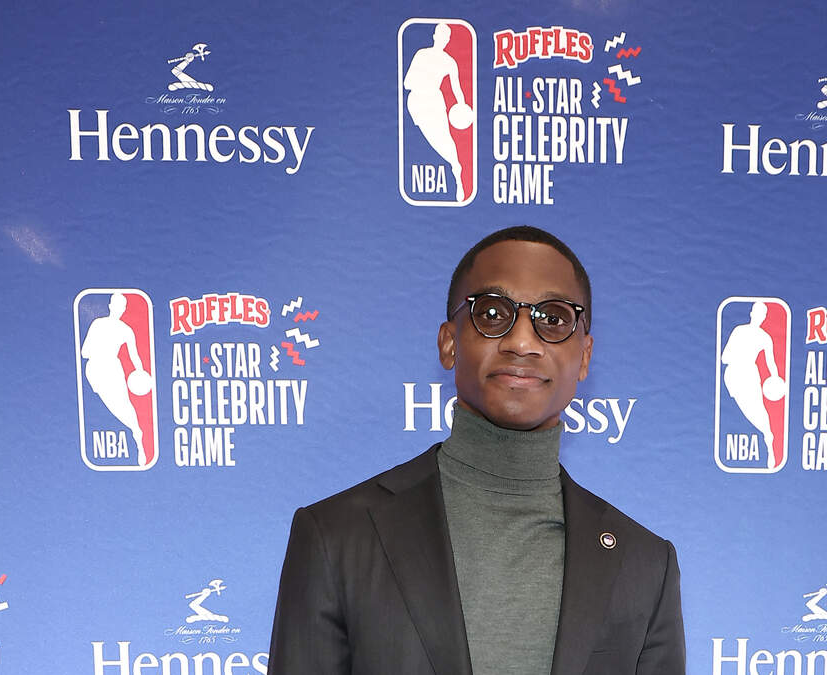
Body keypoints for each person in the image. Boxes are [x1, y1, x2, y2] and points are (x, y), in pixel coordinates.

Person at [267, 226, 685, 674]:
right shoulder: (335, 537)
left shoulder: (646, 565)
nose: (522, 342)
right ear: (449, 343)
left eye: (553, 319)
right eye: (492, 313)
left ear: (583, 357)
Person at [81, 292, 149, 466]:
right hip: (96, 370)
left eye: (121, 306)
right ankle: (136, 432)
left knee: (123, 404)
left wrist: (140, 372)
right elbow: (84, 352)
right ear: (111, 306)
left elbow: (135, 356)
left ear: (123, 309)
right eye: (117, 305)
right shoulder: (98, 324)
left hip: (112, 369)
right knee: (113, 405)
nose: (119, 309)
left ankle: (138, 438)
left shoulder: (126, 330)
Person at [404, 23, 468, 201]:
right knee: (430, 139)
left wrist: (462, 105)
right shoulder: (421, 54)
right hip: (417, 102)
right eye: (440, 35)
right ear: (434, 36)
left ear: (448, 40)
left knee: (446, 139)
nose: (443, 40)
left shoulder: (450, 62)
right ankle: (454, 166)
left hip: (435, 102)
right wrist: (423, 79)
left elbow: (457, 88)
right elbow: (407, 83)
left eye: (446, 37)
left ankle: (457, 172)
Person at [720, 301, 781, 469]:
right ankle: (767, 436)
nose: (759, 316)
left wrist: (775, 377)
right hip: (734, 375)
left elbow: (771, 362)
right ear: (752, 313)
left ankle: (769, 441)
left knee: (758, 409)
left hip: (750, 375)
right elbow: (724, 358)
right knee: (746, 409)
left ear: (764, 317)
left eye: (762, 314)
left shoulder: (765, 337)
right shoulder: (739, 331)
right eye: (758, 312)